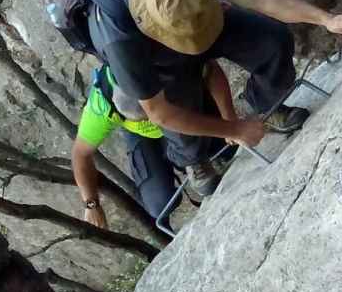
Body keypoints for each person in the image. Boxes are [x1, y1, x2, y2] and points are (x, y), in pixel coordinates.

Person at [88, 0, 342, 195]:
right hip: (155, 57)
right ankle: (193, 159)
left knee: (271, 40)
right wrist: (232, 128)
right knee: (179, 102)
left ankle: (267, 106)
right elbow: (160, 112)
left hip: (201, 15)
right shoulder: (118, 37)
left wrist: (328, 19)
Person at [72, 61, 238, 230]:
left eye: (149, 114)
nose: (150, 119)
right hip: (144, 137)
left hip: (178, 108)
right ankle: (179, 158)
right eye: (143, 116)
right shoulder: (102, 104)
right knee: (158, 203)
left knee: (227, 150)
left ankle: (193, 157)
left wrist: (229, 120)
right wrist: (91, 204)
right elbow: (80, 154)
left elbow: (210, 69)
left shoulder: (165, 62)